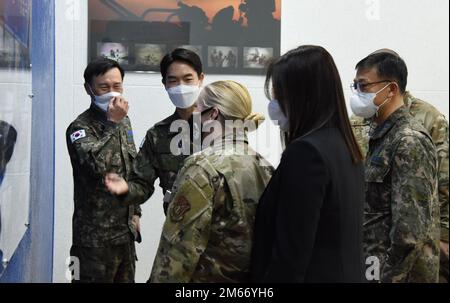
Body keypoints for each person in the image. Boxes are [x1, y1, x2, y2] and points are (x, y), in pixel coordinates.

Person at [107, 80, 274, 282]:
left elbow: (177, 251)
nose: (194, 113)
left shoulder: (201, 167)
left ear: (213, 114)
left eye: (199, 107)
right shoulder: (265, 167)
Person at [251, 45, 365, 283]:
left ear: (303, 95)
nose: (274, 105)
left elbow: (291, 255)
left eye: (280, 96)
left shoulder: (306, 152)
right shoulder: (343, 144)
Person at [351, 49, 449, 283]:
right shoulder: (381, 135)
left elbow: (409, 232)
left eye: (363, 86)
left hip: (400, 275)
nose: (357, 94)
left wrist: (389, 278)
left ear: (392, 89)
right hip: (374, 267)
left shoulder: (408, 140)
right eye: (354, 86)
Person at [66, 58, 141, 283]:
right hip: (92, 241)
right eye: (103, 87)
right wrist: (111, 123)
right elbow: (96, 167)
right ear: (89, 89)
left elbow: (130, 167)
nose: (112, 92)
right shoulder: (79, 127)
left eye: (117, 86)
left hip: (124, 236)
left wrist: (136, 211)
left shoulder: (123, 121)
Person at [105, 48, 205, 216]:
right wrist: (125, 189)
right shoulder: (158, 135)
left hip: (220, 232)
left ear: (200, 79)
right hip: (178, 229)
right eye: (173, 80)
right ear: (164, 84)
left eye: (188, 79)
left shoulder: (221, 126)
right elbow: (142, 184)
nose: (181, 86)